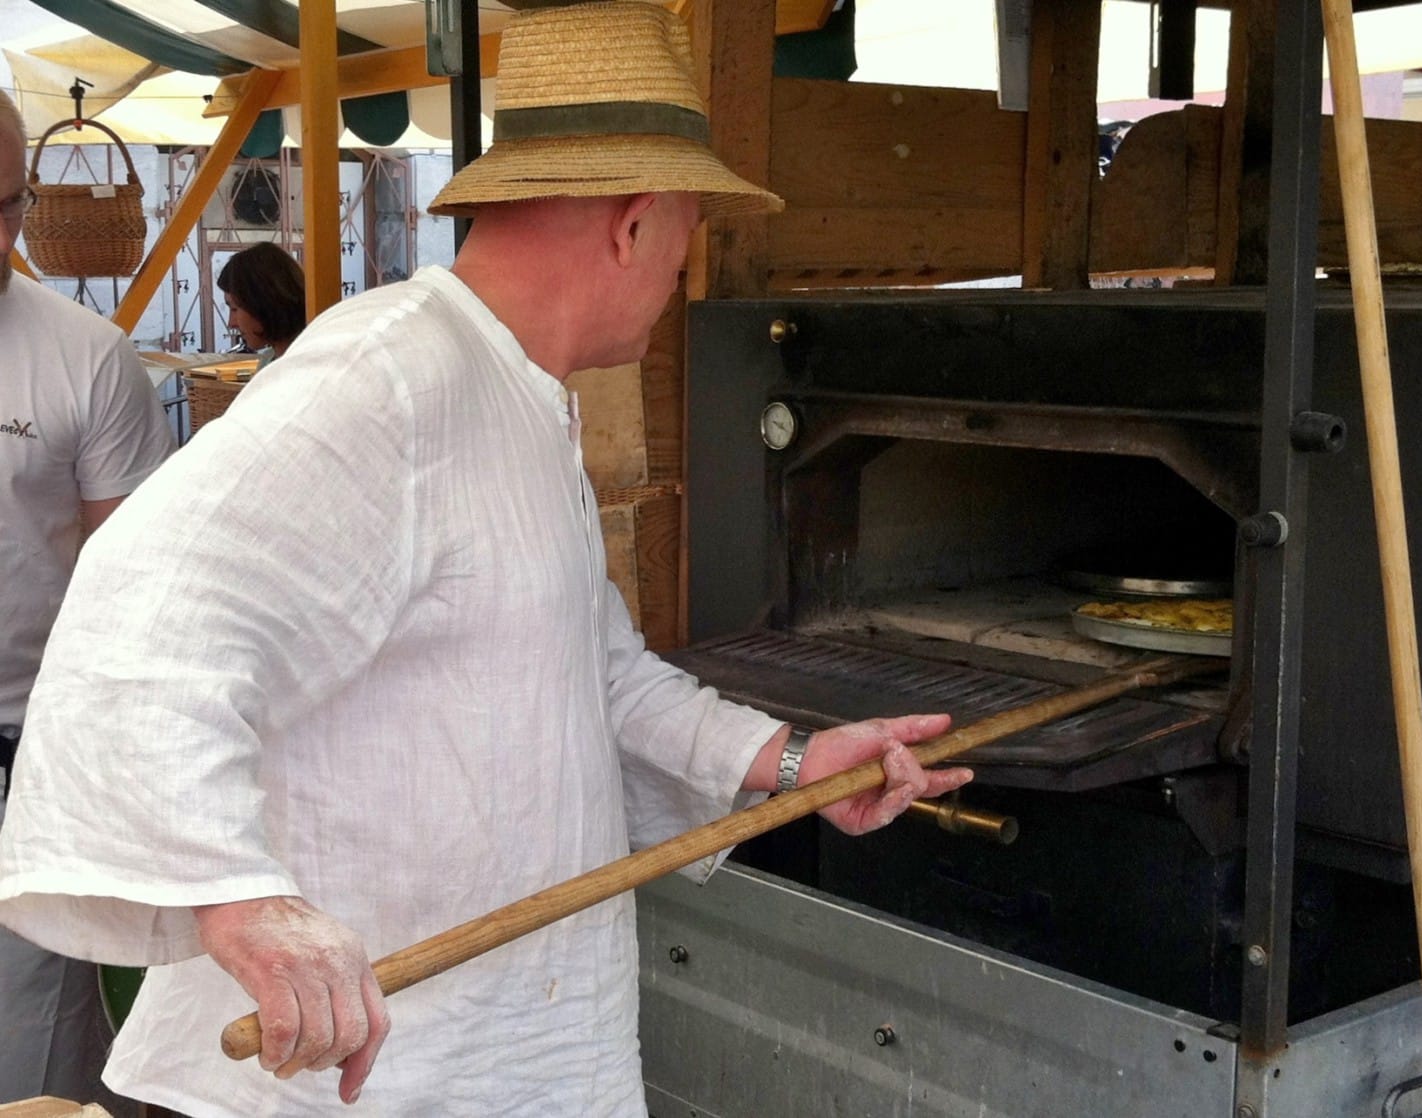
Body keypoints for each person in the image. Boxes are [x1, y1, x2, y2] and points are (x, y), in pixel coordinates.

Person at [0, 6, 970, 1115]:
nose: (681, 268)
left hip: (480, 1057)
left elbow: (594, 673)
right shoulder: (392, 377)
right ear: (637, 224)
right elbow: (145, 607)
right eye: (691, 234)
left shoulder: (517, 397)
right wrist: (239, 898)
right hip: (335, 1089)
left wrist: (794, 761)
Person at [0, 88, 176, 1105]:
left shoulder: (86, 355)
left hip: (36, 749)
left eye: (5, 205)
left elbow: (132, 584)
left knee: (36, 1045)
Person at [216, 241, 306, 365]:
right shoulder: (268, 359)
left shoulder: (309, 366)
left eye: (235, 309)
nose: (231, 323)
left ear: (263, 303)